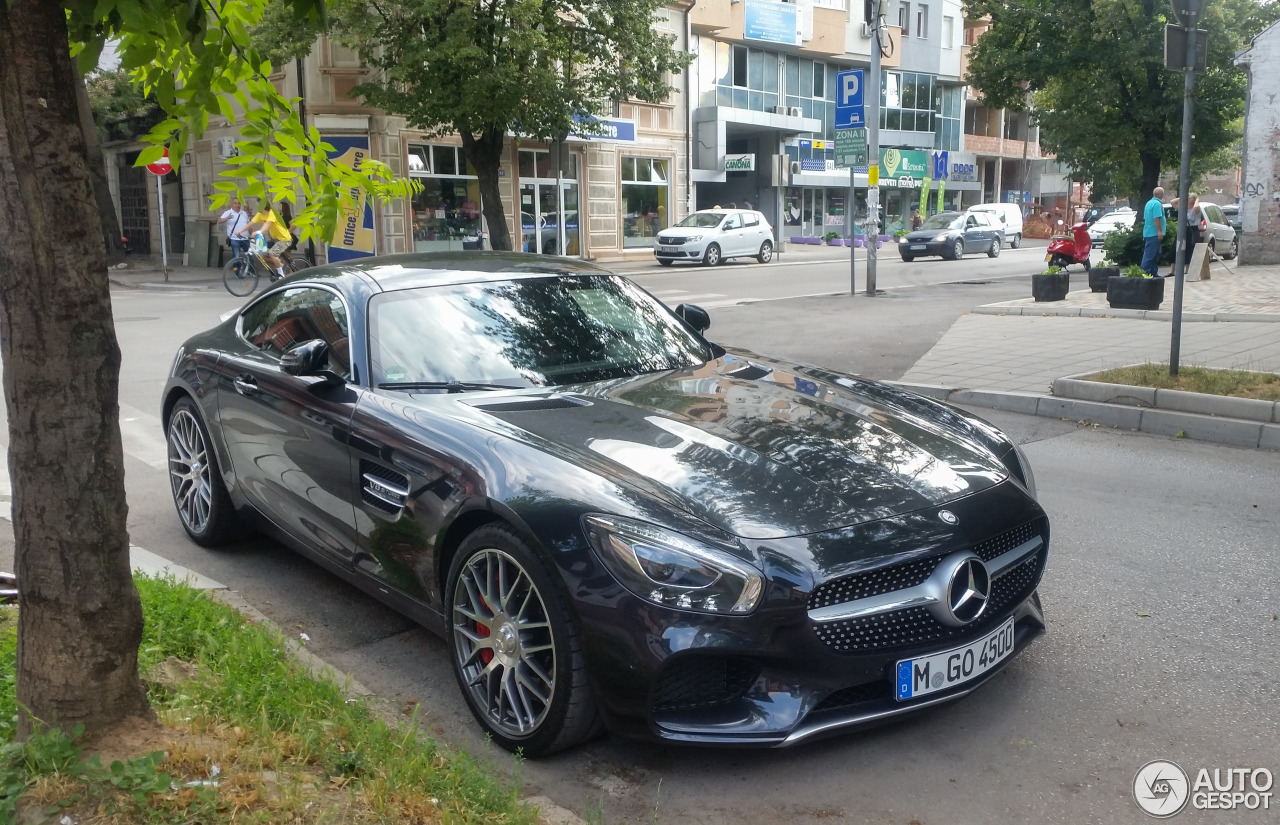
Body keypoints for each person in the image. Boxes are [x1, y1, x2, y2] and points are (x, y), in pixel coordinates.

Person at [238, 200, 295, 278]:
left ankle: (281, 274)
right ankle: (280, 265)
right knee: (262, 253)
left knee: (272, 254)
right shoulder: (260, 214)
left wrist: (259, 231)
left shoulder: (272, 213)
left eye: (257, 205)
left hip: (284, 239)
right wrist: (240, 231)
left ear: (263, 205)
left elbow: (268, 224)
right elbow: (251, 223)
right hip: (275, 239)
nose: (256, 207)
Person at [1141, 186, 1166, 277]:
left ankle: (1153, 272)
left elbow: (1146, 218)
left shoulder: (1149, 203)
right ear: (1160, 195)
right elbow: (1156, 218)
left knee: (1156, 253)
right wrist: (1160, 231)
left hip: (1148, 232)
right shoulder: (1157, 204)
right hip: (1154, 233)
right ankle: (1145, 272)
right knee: (1150, 254)